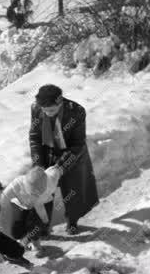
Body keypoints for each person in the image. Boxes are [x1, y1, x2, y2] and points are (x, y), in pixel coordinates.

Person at [29, 84, 99, 234]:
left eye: (52, 110)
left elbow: (77, 144)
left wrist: (60, 167)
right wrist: (38, 165)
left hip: (72, 155)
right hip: (48, 152)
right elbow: (35, 137)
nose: (47, 114)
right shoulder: (36, 108)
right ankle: (42, 228)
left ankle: (72, 222)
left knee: (72, 190)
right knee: (43, 190)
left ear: (60, 102)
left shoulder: (77, 111)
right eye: (45, 110)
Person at [0, 165, 61, 256]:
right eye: (33, 193)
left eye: (38, 193)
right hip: (21, 204)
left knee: (35, 225)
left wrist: (45, 219)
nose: (34, 196)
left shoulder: (50, 182)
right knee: (16, 231)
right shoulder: (17, 184)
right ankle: (22, 240)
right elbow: (3, 198)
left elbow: (54, 171)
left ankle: (37, 246)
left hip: (44, 202)